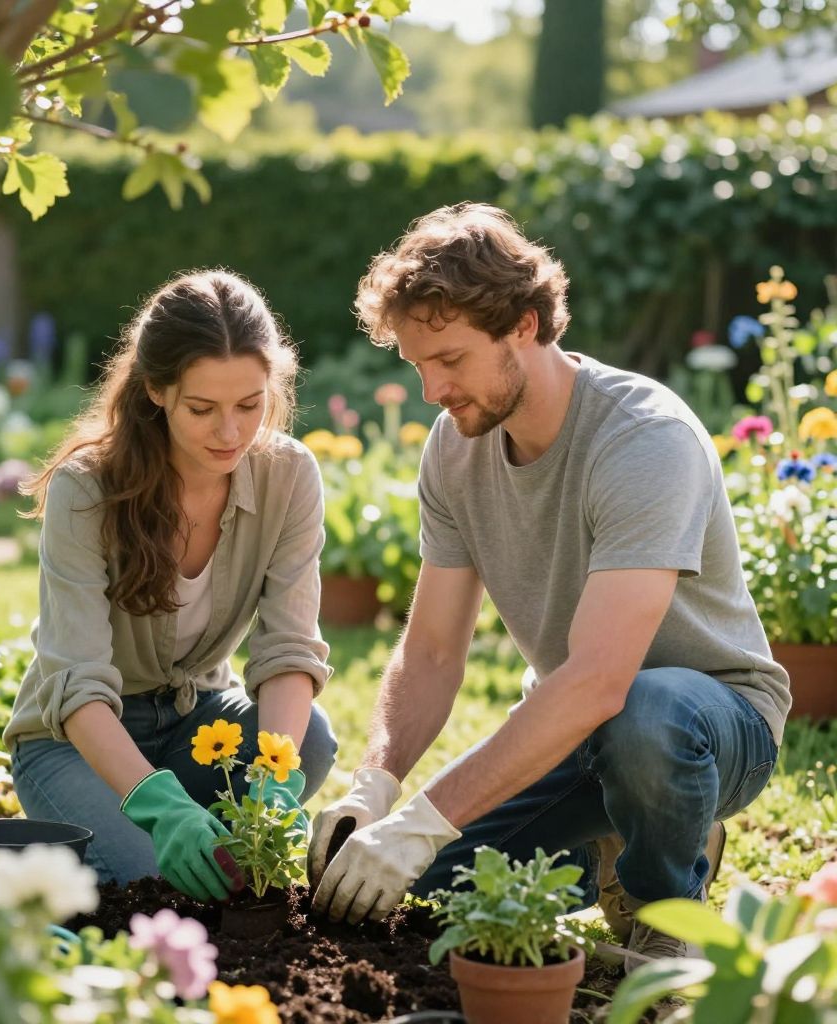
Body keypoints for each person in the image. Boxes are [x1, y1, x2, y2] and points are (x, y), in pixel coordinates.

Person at [308, 203, 789, 972]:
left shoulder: (643, 439)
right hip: (577, 731)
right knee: (429, 889)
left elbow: (601, 681)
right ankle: (612, 840)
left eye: (452, 360)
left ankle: (666, 907)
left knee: (646, 712)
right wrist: (377, 786)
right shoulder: (456, 449)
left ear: (525, 324)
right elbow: (431, 651)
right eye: (418, 364)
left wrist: (425, 817)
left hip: (708, 721)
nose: (432, 388)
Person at [4, 269, 337, 898]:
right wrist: (159, 807)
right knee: (159, 886)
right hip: (76, 742)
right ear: (156, 390)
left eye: (250, 405)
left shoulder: (288, 476)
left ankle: (201, 834)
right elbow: (74, 685)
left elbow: (289, 647)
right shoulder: (88, 488)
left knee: (307, 741)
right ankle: (127, 834)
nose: (232, 433)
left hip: (196, 722)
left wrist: (275, 778)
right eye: (203, 409)